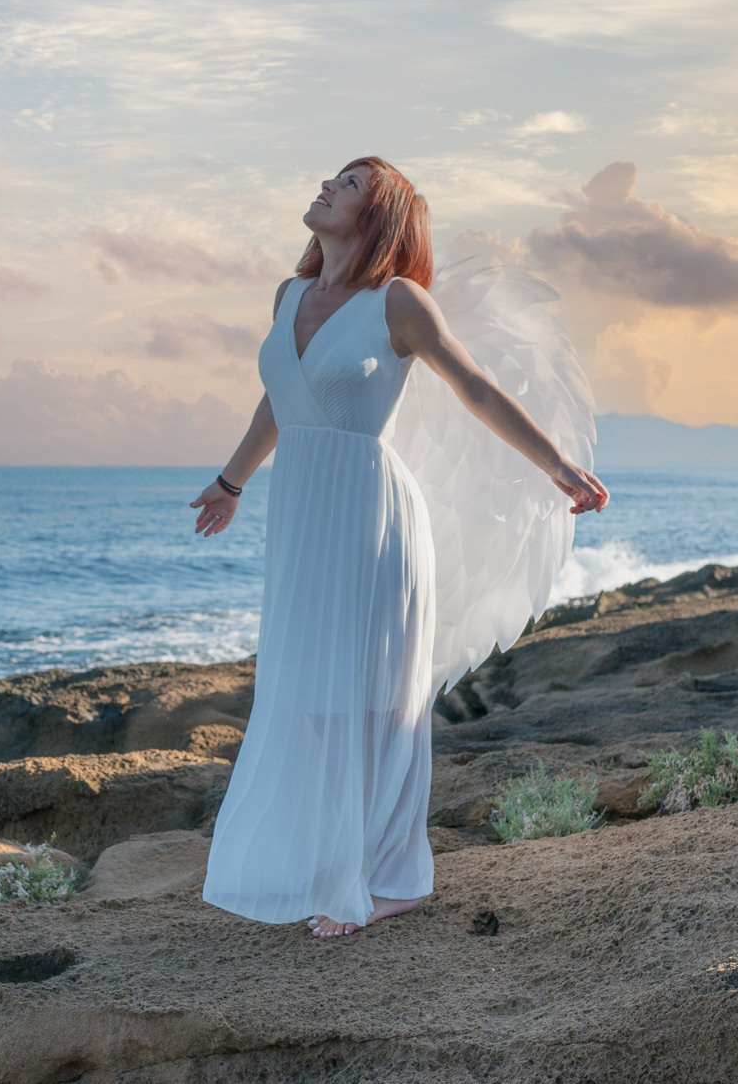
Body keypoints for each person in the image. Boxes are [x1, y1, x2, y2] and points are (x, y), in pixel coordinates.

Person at [190, 156, 608, 939]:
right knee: (306, 690)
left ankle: (393, 877)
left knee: (378, 698)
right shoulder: (289, 296)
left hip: (372, 512)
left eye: (347, 182)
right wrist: (232, 479)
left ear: (379, 214)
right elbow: (282, 396)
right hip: (303, 516)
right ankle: (331, 860)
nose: (325, 184)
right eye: (331, 176)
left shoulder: (399, 303)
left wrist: (556, 465)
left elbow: (476, 386)